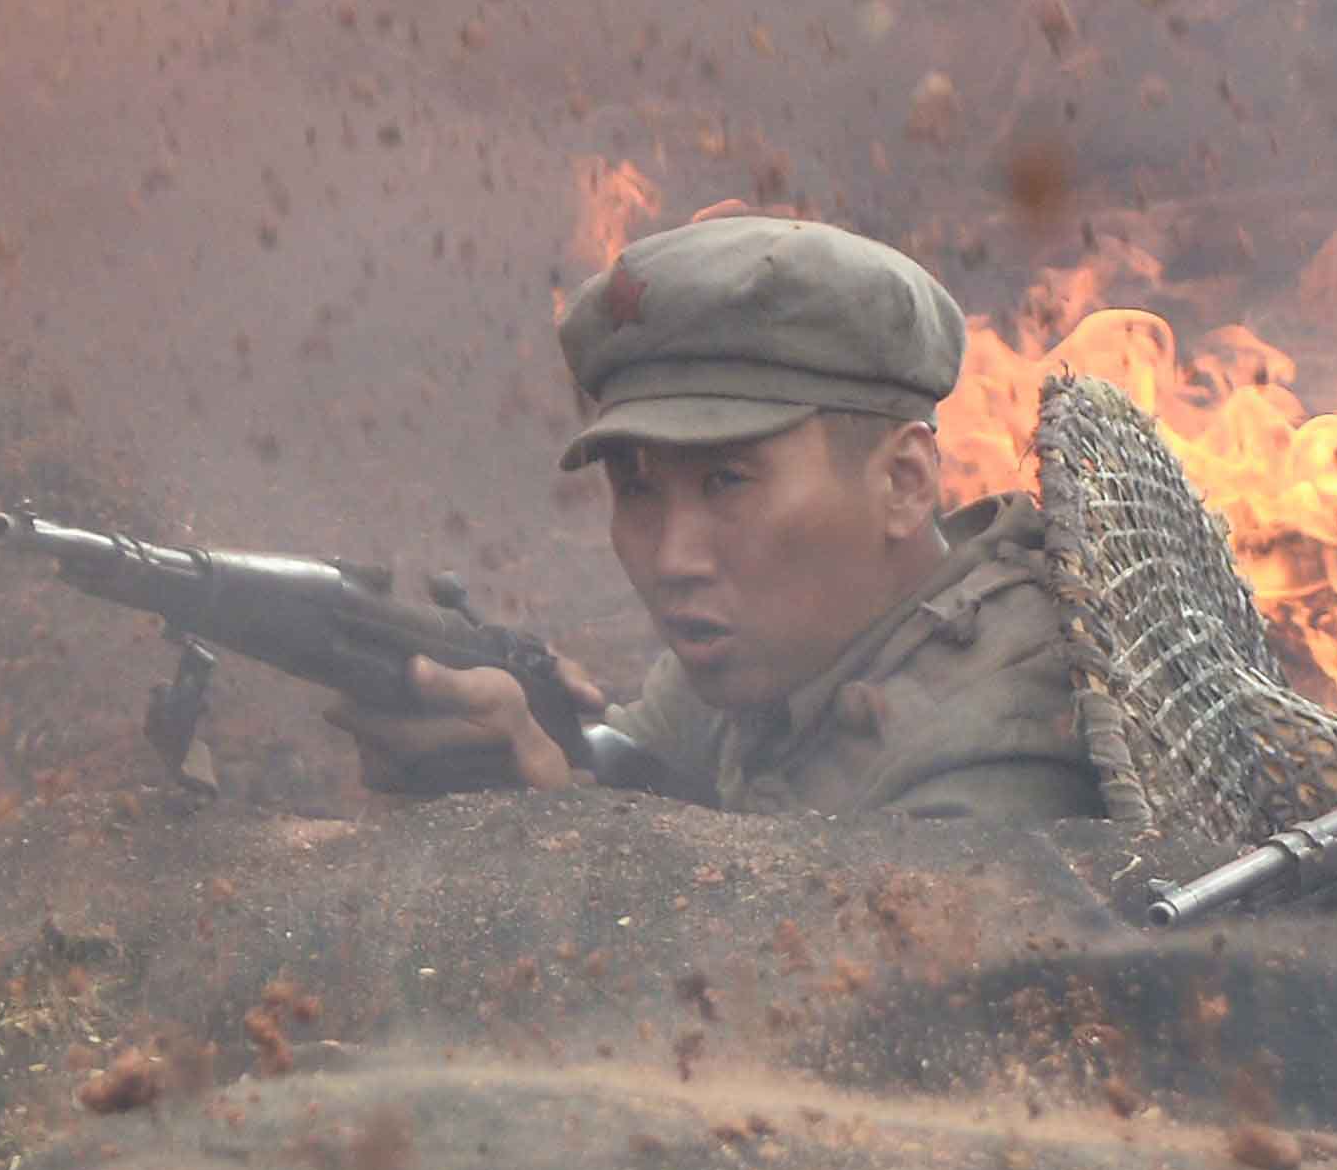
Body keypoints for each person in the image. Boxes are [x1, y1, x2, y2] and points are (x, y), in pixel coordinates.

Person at [330, 211, 1100, 824]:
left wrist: (556, 837)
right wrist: (515, 740)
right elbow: (631, 768)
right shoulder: (783, 643)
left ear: (902, 483)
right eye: (637, 488)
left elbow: (834, 999)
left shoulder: (998, 741)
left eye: (727, 480)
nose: (673, 558)